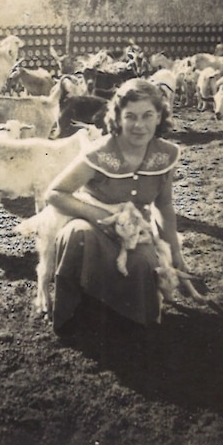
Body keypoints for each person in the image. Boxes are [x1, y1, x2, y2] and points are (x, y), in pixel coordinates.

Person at [46, 78, 187, 336]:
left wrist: (175, 252)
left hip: (134, 230)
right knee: (78, 237)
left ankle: (129, 324)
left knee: (144, 262)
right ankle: (78, 317)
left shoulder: (165, 154)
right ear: (118, 117)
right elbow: (54, 193)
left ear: (159, 117)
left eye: (148, 115)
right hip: (91, 220)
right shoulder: (100, 152)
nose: (139, 125)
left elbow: (164, 205)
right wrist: (99, 216)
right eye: (130, 116)